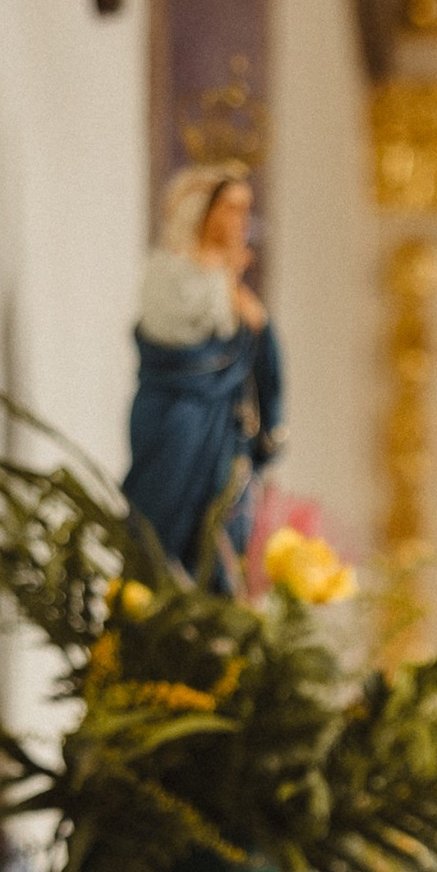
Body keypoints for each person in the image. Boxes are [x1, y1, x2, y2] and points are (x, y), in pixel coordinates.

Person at [124, 163, 283, 584]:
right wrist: (223, 284)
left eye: (245, 210)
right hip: (177, 415)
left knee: (220, 527)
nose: (240, 221)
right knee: (158, 522)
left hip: (221, 429)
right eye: (231, 208)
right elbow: (172, 340)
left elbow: (262, 356)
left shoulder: (231, 285)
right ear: (202, 209)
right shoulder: (170, 271)